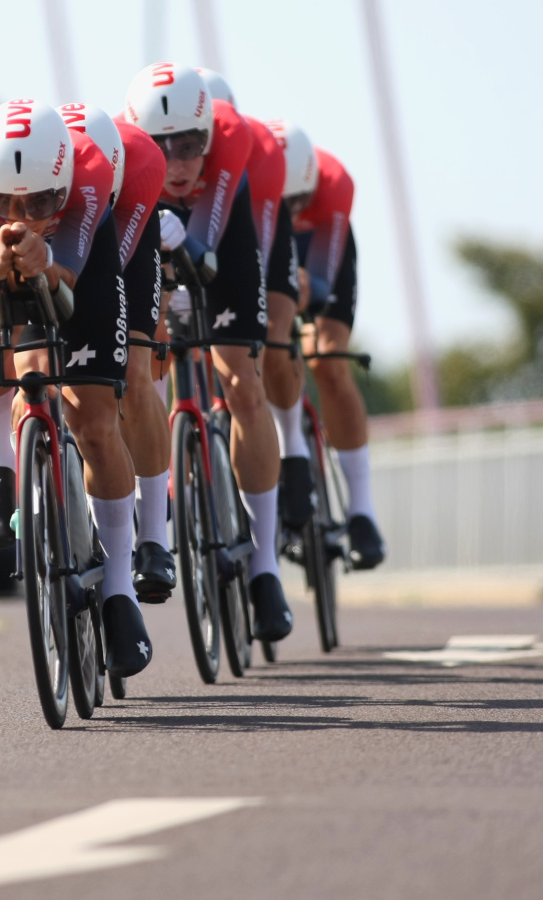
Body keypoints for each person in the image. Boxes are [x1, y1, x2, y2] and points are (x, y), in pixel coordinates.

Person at [0, 100, 152, 676]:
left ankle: (117, 589)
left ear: (63, 182)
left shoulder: (87, 174)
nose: (26, 214)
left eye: (42, 200)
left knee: (95, 421)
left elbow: (64, 283)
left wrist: (45, 259)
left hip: (81, 262)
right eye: (9, 202)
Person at [123, 63, 292, 643]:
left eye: (191, 145)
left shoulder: (233, 137)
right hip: (155, 234)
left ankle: (265, 565)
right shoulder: (125, 155)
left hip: (222, 237)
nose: (176, 162)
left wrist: (185, 240)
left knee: (242, 380)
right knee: (141, 361)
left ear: (210, 136)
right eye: (159, 148)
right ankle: (158, 499)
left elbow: (212, 249)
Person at [55, 102, 176, 602]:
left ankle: (153, 537)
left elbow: (109, 274)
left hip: (124, 231)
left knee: (134, 366)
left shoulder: (142, 163)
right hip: (60, 222)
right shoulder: (57, 176)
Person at [196, 70, 311, 529]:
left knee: (272, 337)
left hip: (248, 233)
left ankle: (295, 451)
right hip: (185, 228)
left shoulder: (257, 150)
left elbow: (256, 255)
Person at [268, 120, 385, 569]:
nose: (293, 211)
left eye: (299, 202)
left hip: (318, 247)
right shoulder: (255, 181)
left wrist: (304, 291)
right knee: (255, 348)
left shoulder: (334, 183)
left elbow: (319, 279)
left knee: (327, 359)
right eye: (287, 204)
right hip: (261, 236)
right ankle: (288, 445)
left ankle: (362, 512)